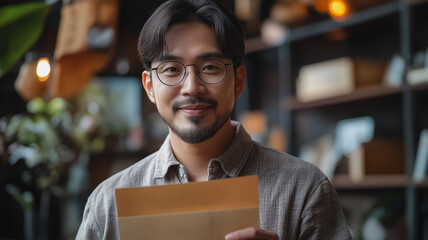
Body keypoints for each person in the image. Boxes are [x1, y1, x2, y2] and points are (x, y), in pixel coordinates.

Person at [76, 0, 352, 239]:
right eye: (172, 69)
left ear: (239, 81)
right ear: (149, 86)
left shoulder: (304, 189)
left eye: (210, 67)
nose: (191, 87)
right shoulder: (107, 203)